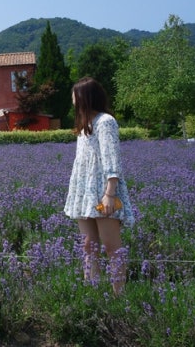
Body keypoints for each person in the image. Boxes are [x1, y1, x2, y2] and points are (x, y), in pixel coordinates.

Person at [64, 77, 134, 295]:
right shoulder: (84, 125)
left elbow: (112, 160)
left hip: (103, 192)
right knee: (88, 246)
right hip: (85, 193)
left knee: (112, 247)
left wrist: (109, 194)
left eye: (75, 95)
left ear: (85, 97)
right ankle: (92, 295)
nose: (72, 99)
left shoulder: (105, 122)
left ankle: (118, 296)